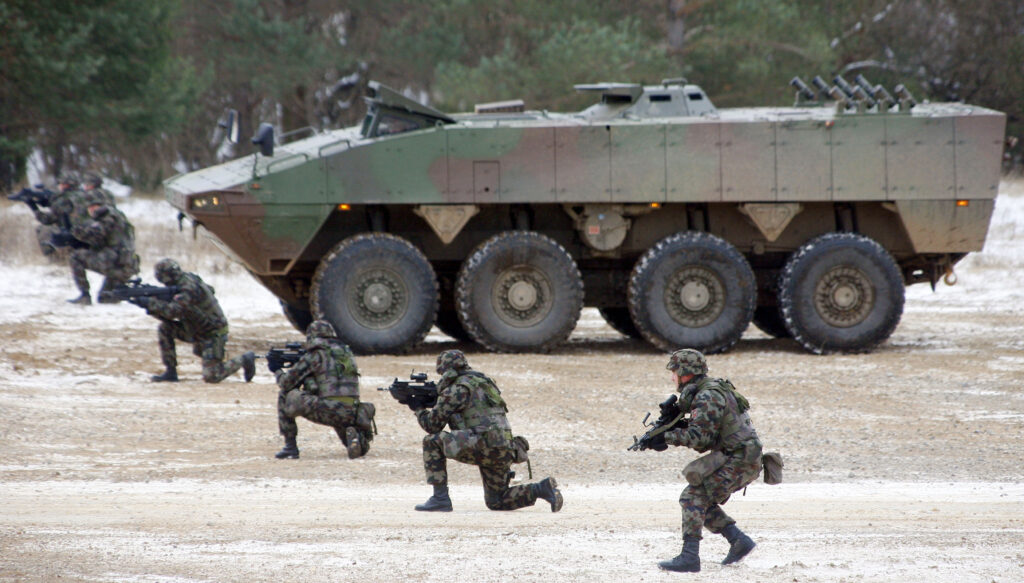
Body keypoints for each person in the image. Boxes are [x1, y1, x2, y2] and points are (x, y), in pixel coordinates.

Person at [647, 348, 762, 573]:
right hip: (739, 456)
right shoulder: (707, 390)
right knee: (701, 498)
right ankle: (738, 541)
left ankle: (690, 557)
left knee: (693, 497)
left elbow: (700, 439)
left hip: (741, 459)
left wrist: (667, 437)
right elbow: (706, 431)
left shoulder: (707, 396)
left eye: (674, 372)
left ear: (685, 373)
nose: (672, 378)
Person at [412, 349, 562, 513]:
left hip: (483, 445)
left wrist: (418, 408)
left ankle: (440, 499)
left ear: (446, 371)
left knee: (432, 441)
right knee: (497, 500)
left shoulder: (456, 389)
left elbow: (432, 426)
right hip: (504, 447)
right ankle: (542, 489)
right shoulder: (486, 383)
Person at [271, 319, 375, 460]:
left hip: (327, 409)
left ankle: (290, 447)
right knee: (346, 431)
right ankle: (357, 440)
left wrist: (277, 370)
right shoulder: (346, 352)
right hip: (351, 412)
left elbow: (286, 383)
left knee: (285, 394)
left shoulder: (315, 354)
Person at [140, 258, 255, 384]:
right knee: (165, 328)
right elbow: (169, 316)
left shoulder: (188, 287)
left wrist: (150, 303)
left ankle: (244, 359)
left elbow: (174, 312)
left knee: (212, 376)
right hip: (196, 329)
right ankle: (171, 371)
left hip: (212, 333)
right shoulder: (181, 284)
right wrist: (149, 305)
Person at [67, 189, 139, 305]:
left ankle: (85, 295)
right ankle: (121, 291)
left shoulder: (106, 217)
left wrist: (74, 234)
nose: (91, 209)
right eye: (90, 207)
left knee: (75, 257)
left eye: (94, 206)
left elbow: (95, 236)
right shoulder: (118, 215)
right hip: (127, 266)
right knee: (105, 298)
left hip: (113, 264)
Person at [32, 172, 85, 259]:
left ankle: (54, 259)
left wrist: (33, 206)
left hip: (72, 234)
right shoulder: (85, 194)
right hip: (86, 232)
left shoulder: (62, 199)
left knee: (42, 229)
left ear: (65, 185)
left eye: (60, 183)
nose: (59, 186)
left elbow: (47, 220)